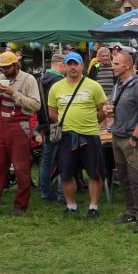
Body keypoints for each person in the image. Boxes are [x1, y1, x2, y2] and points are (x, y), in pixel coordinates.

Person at [0, 52, 41, 215]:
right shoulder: (0, 78)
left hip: (20, 126)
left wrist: (13, 92)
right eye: (1, 67)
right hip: (2, 126)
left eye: (7, 67)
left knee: (21, 169)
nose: (4, 70)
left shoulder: (29, 79)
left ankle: (20, 206)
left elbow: (36, 105)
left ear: (16, 65)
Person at [49, 51, 108, 218]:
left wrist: (91, 122)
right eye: (69, 64)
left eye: (76, 63)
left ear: (82, 65)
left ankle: (93, 207)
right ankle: (71, 206)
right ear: (64, 66)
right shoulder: (56, 87)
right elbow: (52, 113)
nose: (73, 67)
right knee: (66, 173)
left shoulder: (94, 86)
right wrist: (69, 123)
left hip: (90, 134)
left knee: (94, 173)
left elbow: (102, 110)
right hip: (67, 136)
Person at [108, 49, 138, 233]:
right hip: (117, 137)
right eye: (113, 63)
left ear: (127, 65)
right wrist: (108, 109)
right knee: (123, 177)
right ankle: (131, 211)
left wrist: (135, 138)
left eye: (116, 63)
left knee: (135, 179)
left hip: (130, 139)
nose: (113, 66)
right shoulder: (118, 84)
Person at [37, 53, 67, 200]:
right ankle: (62, 194)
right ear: (61, 65)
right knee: (63, 158)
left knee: (46, 160)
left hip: (44, 124)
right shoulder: (59, 81)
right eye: (66, 65)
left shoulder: (40, 79)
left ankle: (45, 192)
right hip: (58, 124)